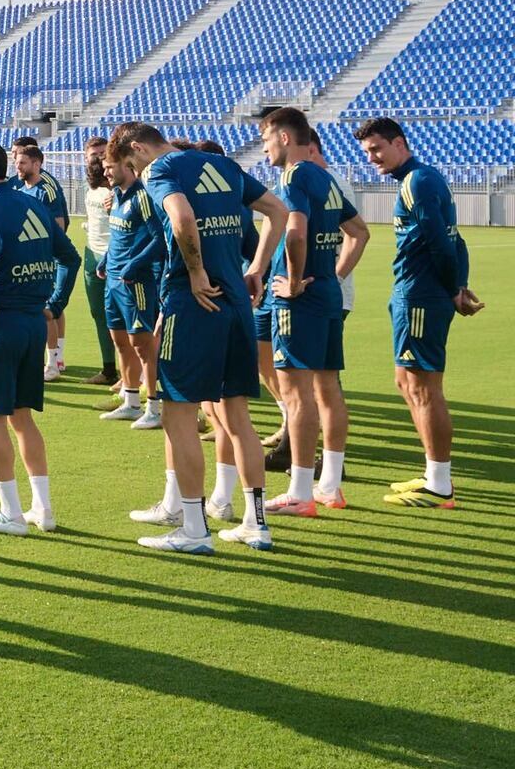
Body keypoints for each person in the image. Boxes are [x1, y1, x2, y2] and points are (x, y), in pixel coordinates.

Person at [110, 122, 287, 555]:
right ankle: (255, 523)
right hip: (237, 306)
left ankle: (192, 527)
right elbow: (278, 212)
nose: (135, 172)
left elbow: (182, 216)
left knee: (178, 414)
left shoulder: (160, 170)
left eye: (132, 164)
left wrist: (193, 272)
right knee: (238, 418)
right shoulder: (222, 165)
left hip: (194, 305)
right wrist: (257, 269)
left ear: (137, 150)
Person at [356, 117, 484, 508]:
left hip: (421, 297)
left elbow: (441, 245)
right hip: (419, 294)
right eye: (367, 153)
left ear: (400, 143)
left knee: (423, 388)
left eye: (377, 149)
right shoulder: (423, 180)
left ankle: (440, 485)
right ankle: (432, 473)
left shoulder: (418, 182)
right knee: (405, 382)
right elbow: (454, 239)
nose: (373, 159)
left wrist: (451, 290)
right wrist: (458, 286)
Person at [0, 141, 79, 535]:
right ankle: (43, 510)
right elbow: (70, 259)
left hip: (1, 326)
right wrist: (54, 303)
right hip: (32, 324)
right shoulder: (35, 204)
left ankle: (10, 513)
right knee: (22, 418)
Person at [260, 107, 368, 516]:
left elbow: (295, 231)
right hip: (326, 295)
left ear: (285, 138)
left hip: (300, 300)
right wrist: (332, 276)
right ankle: (330, 486)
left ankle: (300, 492)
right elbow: (359, 232)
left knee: (296, 392)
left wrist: (294, 277)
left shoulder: (292, 177)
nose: (264, 149)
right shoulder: (325, 177)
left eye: (267, 140)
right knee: (328, 389)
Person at [100, 140, 166, 428]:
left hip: (135, 282)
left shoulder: (143, 197)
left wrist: (133, 264)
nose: (106, 173)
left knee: (143, 345)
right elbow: (119, 237)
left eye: (110, 167)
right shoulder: (116, 196)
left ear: (127, 166)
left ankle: (155, 406)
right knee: (120, 341)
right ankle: (130, 401)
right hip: (112, 282)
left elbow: (159, 239)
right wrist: (106, 259)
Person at [9, 138, 72, 380]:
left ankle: (52, 364)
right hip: (27, 256)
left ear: (36, 163)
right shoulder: (23, 188)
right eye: (16, 162)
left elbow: (59, 226)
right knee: (39, 309)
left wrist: (44, 257)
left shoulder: (47, 189)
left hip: (44, 259)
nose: (17, 166)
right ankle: (50, 358)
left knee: (47, 309)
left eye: (22, 162)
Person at [79, 137, 120, 387]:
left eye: (102, 153)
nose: (97, 158)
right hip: (91, 255)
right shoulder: (90, 188)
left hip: (114, 258)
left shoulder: (120, 187)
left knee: (121, 319)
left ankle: (132, 375)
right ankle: (108, 369)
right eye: (93, 154)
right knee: (98, 314)